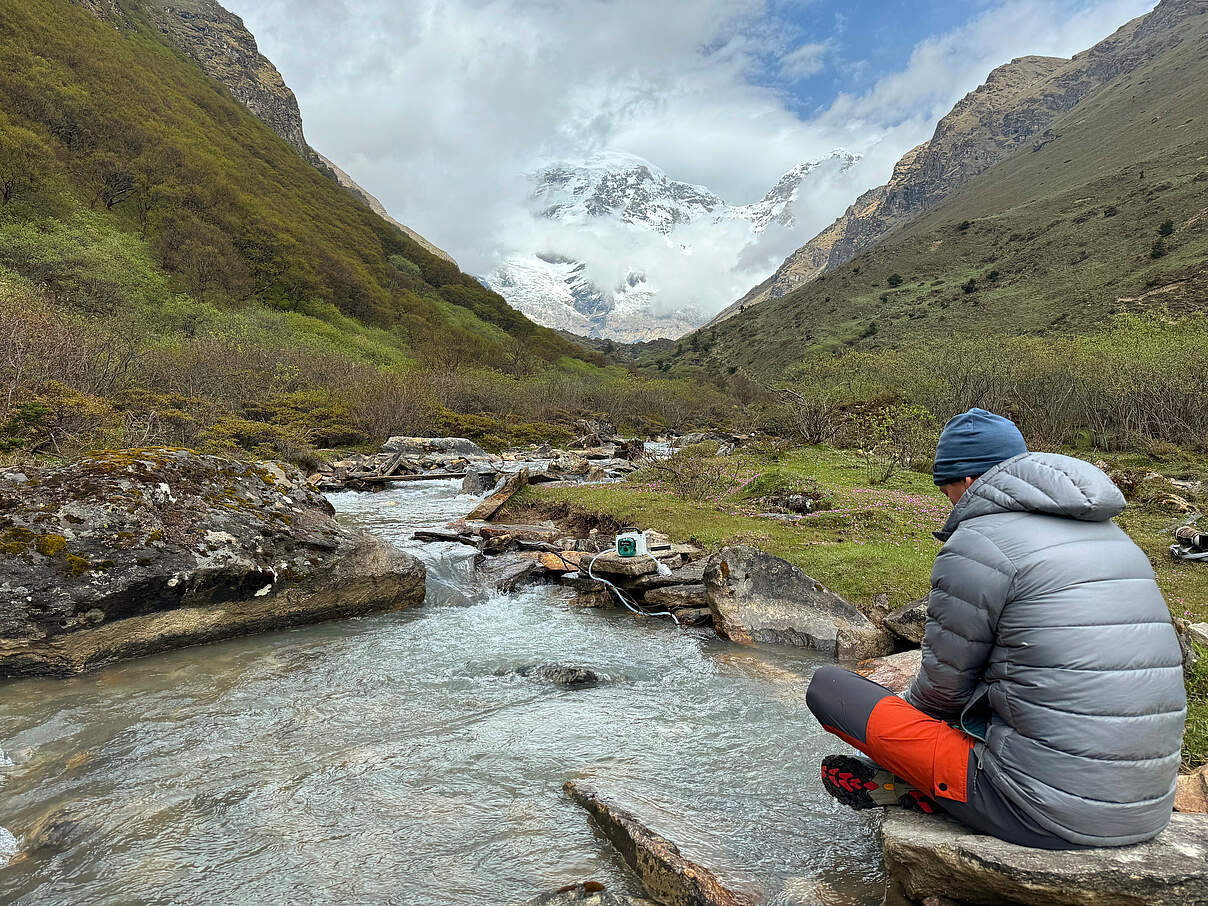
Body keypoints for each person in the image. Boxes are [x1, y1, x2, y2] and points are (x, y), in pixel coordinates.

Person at [806, 408, 1186, 849]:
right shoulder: (1113, 536)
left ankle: (925, 787)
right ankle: (929, 786)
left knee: (829, 688)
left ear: (966, 482)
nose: (948, 500)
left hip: (1041, 813)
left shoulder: (979, 542)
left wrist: (904, 740)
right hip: (1146, 807)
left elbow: (939, 694)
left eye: (945, 487)